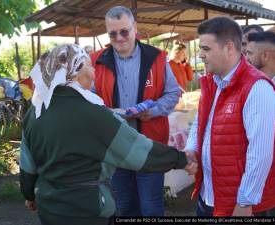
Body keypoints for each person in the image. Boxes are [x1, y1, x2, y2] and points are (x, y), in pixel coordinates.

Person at [19, 44, 197, 225]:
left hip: (48, 209)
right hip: (88, 212)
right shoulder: (96, 115)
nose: (94, 71)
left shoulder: (35, 113)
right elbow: (140, 152)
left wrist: (28, 194)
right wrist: (180, 159)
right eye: (89, 66)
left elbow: (27, 165)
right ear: (76, 73)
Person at [90, 6, 181, 216]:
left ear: (135, 28)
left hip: (149, 146)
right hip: (116, 145)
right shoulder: (96, 61)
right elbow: (89, 99)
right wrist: (108, 112)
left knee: (151, 208)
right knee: (125, 207)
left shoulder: (156, 57)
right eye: (113, 33)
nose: (119, 38)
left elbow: (173, 93)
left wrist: (154, 110)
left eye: (124, 31)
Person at [184, 16, 275, 216]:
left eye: (206, 49)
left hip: (238, 205)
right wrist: (192, 148)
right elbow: (200, 121)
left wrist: (245, 202)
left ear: (229, 48)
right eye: (200, 48)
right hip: (208, 196)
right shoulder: (211, 82)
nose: (200, 55)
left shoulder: (257, 87)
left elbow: (260, 153)